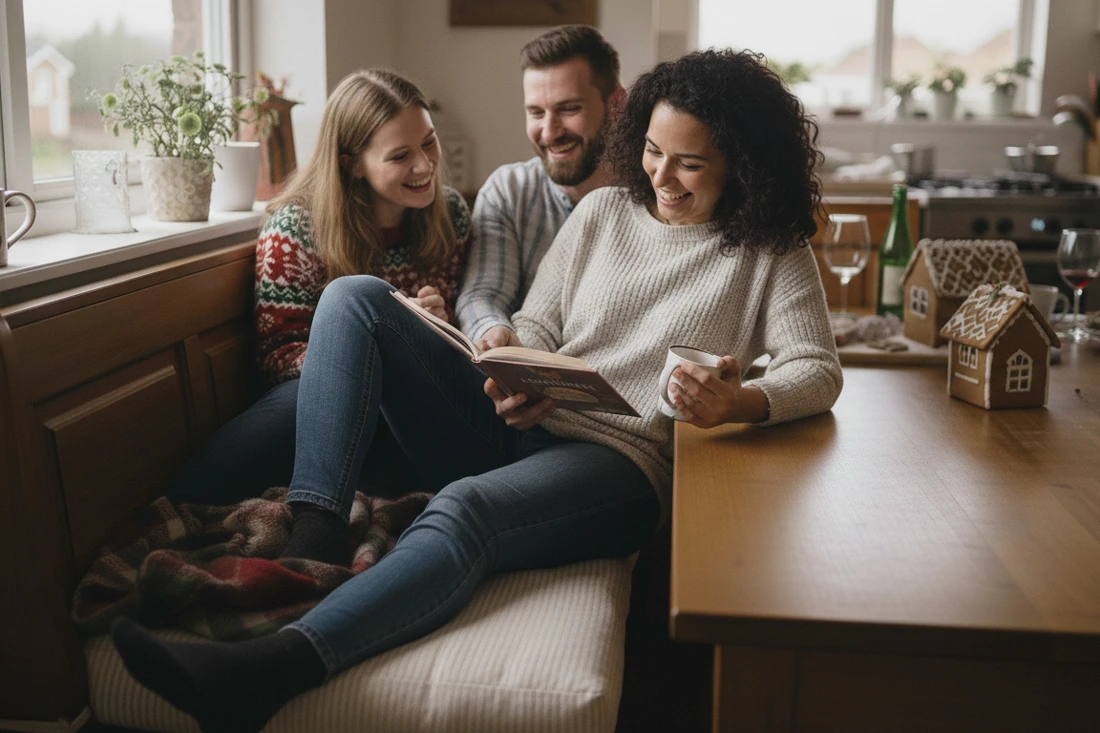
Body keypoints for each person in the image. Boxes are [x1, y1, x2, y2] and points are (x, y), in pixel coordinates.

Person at [110, 49, 843, 733]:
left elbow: (816, 368)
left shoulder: (770, 247)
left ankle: (270, 670)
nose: (662, 177)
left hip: (623, 460)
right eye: (652, 152)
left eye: (690, 164)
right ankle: (315, 542)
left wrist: (737, 399)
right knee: (355, 299)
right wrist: (514, 362)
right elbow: (537, 319)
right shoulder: (602, 213)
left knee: (465, 506)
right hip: (528, 419)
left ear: (741, 166)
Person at [163, 68, 471, 505]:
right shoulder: (296, 228)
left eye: (429, 141)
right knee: (225, 466)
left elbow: (460, 338)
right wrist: (384, 351)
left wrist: (437, 330)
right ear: (352, 164)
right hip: (322, 399)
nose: (424, 165)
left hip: (417, 409)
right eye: (400, 155)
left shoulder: (451, 214)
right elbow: (278, 358)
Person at [456, 24, 624, 350]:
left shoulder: (658, 195)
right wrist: (495, 337)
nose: (549, 132)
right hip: (517, 381)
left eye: (569, 109)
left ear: (616, 104)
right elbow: (483, 294)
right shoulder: (509, 190)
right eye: (536, 112)